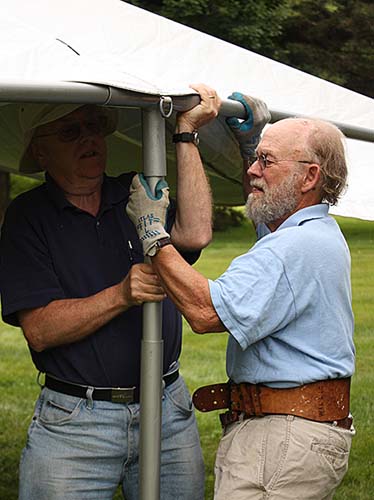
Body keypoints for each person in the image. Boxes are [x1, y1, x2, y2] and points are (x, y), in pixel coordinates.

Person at [126, 93, 356, 500]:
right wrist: (252, 144)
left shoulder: (291, 250)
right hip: (297, 427)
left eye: (266, 161)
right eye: (257, 158)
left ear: (309, 177)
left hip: (282, 436)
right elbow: (272, 232)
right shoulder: (314, 232)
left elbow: (204, 311)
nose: (252, 171)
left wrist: (152, 232)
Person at [0, 83, 221, 500]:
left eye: (93, 126)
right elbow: (40, 330)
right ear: (41, 153)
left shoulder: (136, 192)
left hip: (167, 407)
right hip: (75, 423)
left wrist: (187, 136)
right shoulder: (28, 218)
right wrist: (122, 294)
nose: (88, 138)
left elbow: (195, 233)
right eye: (69, 132)